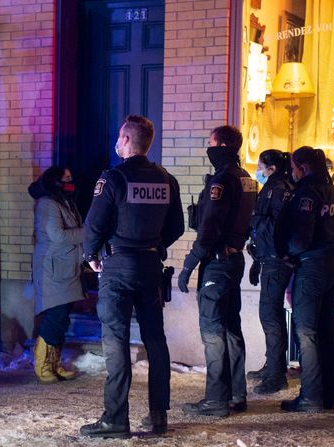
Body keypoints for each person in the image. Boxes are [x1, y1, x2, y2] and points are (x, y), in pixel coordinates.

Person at [80, 115, 184, 438]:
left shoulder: (113, 179)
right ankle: (158, 417)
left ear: (127, 141)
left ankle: (116, 419)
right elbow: (177, 226)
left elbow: (93, 225)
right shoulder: (166, 179)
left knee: (116, 341)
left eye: (119, 137)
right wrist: (155, 246)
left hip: (118, 268)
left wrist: (91, 257)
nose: (117, 141)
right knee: (156, 341)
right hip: (151, 269)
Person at [178, 125, 257, 417]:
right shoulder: (246, 178)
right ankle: (236, 395)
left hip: (218, 262)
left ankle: (215, 400)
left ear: (221, 146)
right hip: (234, 260)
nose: (207, 148)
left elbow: (209, 229)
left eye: (210, 143)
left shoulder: (222, 181)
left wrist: (189, 265)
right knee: (231, 329)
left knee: (212, 332)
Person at [278, 146, 334, 413]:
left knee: (306, 333)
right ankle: (327, 396)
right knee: (326, 331)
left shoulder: (307, 193)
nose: (293, 174)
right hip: (333, 268)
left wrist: (288, 255)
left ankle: (310, 397)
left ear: (303, 168)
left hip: (311, 268)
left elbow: (299, 237)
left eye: (294, 169)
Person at [28, 166, 84, 384]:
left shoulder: (65, 201)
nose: (70, 181)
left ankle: (54, 363)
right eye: (66, 178)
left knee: (62, 319)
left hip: (66, 268)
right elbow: (58, 235)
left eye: (71, 177)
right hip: (53, 269)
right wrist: (89, 232)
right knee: (55, 317)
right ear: (54, 181)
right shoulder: (48, 203)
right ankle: (42, 365)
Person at [247, 149, 294, 394]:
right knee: (270, 315)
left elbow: (274, 227)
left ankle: (276, 375)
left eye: (260, 166)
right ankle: (272, 366)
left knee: (270, 316)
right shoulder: (276, 187)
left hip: (276, 261)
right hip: (270, 258)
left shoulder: (278, 189)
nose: (258, 170)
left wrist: (253, 220)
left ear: (272, 168)